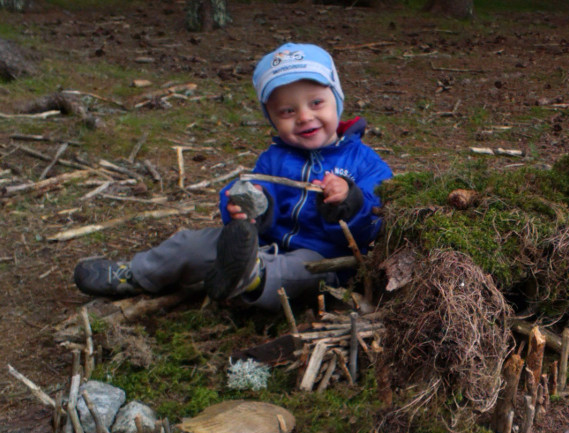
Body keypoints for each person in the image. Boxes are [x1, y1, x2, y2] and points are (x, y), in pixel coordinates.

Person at [73, 43, 392, 311]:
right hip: (263, 241)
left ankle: (247, 276)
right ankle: (137, 274)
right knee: (191, 243)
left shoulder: (365, 162)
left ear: (337, 99)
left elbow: (377, 217)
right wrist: (247, 203)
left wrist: (351, 200)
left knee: (297, 271)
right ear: (271, 118)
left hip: (324, 256)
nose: (304, 116)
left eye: (316, 103)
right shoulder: (274, 158)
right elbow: (257, 187)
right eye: (287, 111)